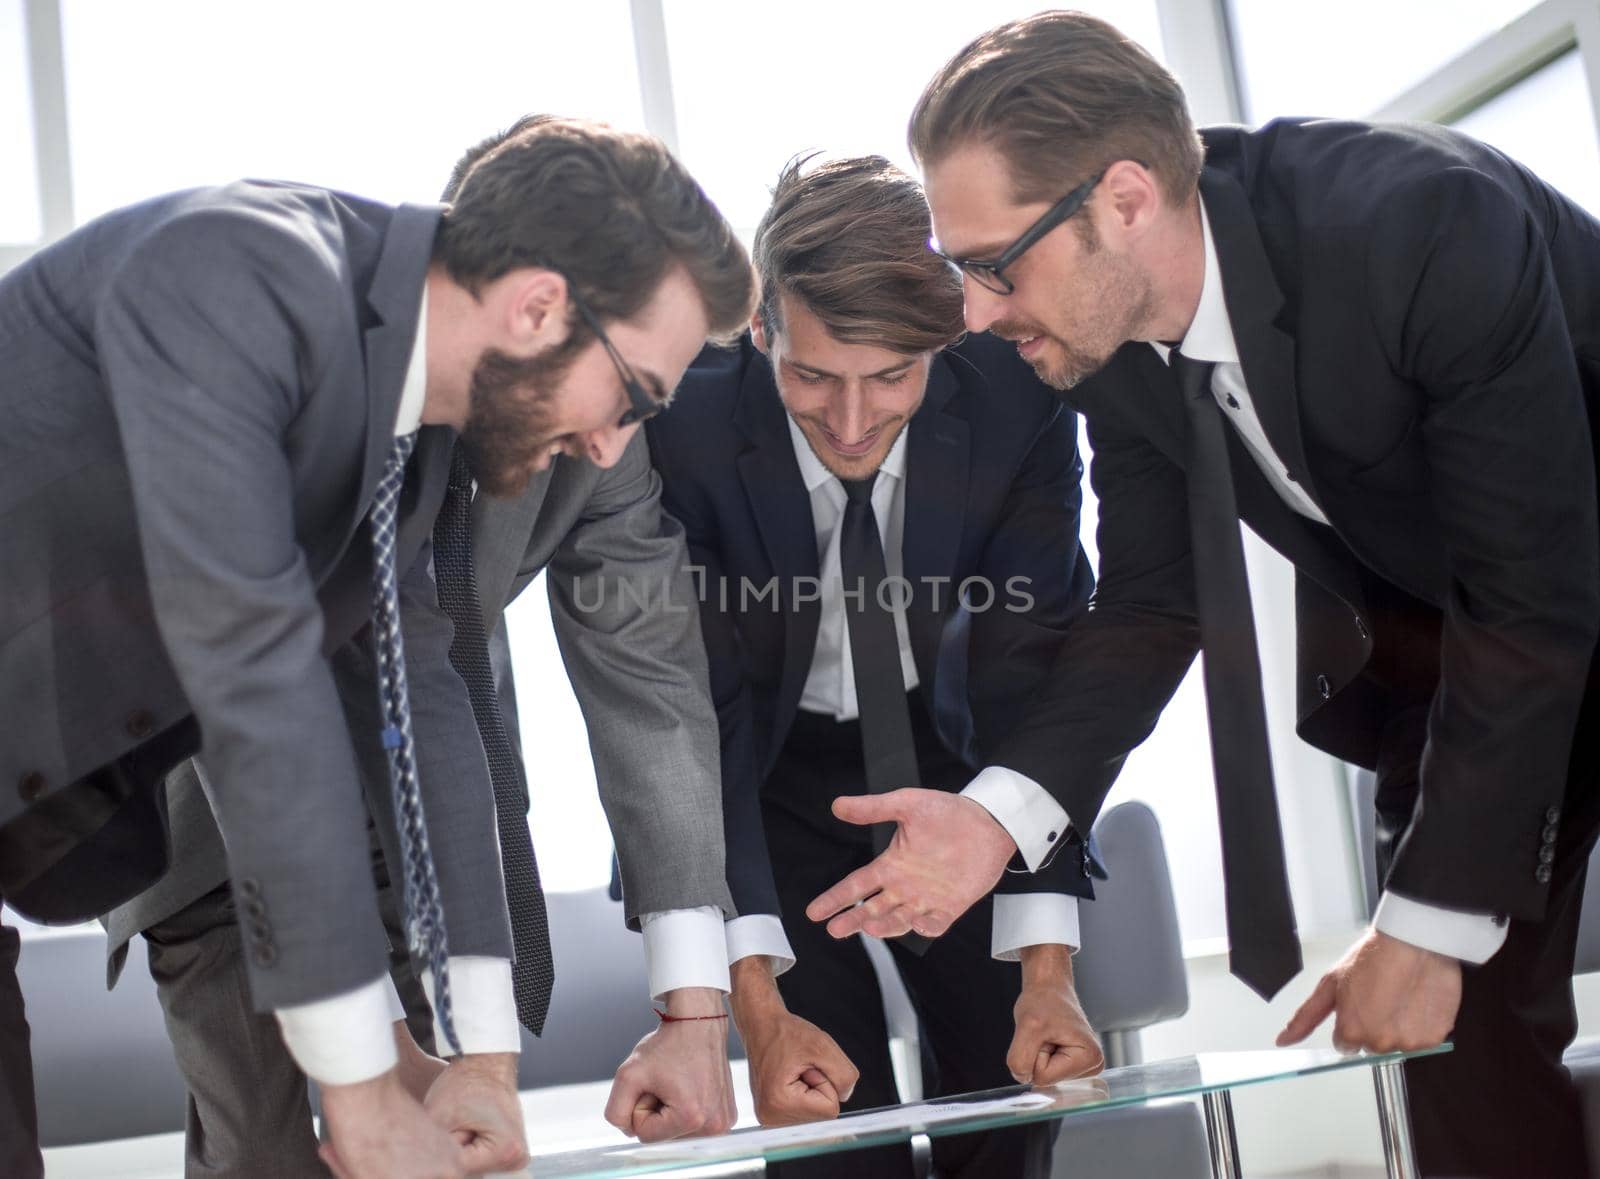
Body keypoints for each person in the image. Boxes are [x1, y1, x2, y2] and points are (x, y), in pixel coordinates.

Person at [802, 11, 1600, 1176]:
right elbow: (1150, 607)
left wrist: (1427, 925)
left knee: (1433, 943)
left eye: (991, 266)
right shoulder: (1110, 349)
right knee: (1457, 1049)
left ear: (1122, 199)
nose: (973, 313)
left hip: (1539, 599)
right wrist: (995, 818)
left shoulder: (1414, 222)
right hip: (1468, 663)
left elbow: (1534, 586)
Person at [0, 115, 751, 1179]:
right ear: (540, 307)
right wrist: (358, 1082)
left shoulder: (409, 435)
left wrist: (469, 1055)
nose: (608, 445)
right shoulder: (240, 277)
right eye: (633, 398)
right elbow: (256, 682)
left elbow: (425, 699)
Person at [647, 155, 1104, 1179]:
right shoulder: (687, 428)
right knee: (824, 1133)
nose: (850, 426)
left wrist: (1046, 967)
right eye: (812, 375)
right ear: (759, 326)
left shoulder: (1015, 395)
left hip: (960, 765)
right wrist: (756, 1014)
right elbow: (692, 722)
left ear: (945, 343)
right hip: (770, 780)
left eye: (890, 377)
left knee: (1010, 1098)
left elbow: (1036, 676)